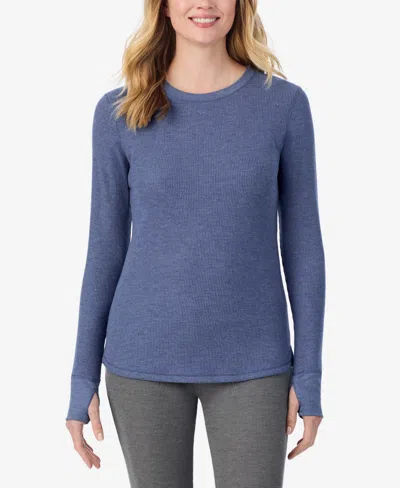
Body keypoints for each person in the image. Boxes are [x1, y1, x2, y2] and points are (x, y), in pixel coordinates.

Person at [65, 1, 326, 486]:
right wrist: (83, 376)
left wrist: (308, 374)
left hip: (255, 363)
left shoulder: (284, 106)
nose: (204, 3)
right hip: (142, 362)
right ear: (163, 7)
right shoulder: (119, 111)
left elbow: (304, 246)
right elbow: (104, 249)